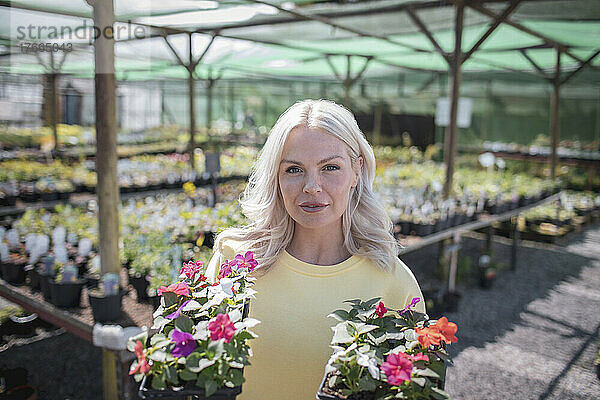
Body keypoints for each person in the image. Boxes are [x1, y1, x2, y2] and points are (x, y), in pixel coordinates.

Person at [206, 99, 425, 399]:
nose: (312, 186)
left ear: (356, 170)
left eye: (330, 167)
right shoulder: (234, 261)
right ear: (276, 176)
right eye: (294, 169)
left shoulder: (393, 281)